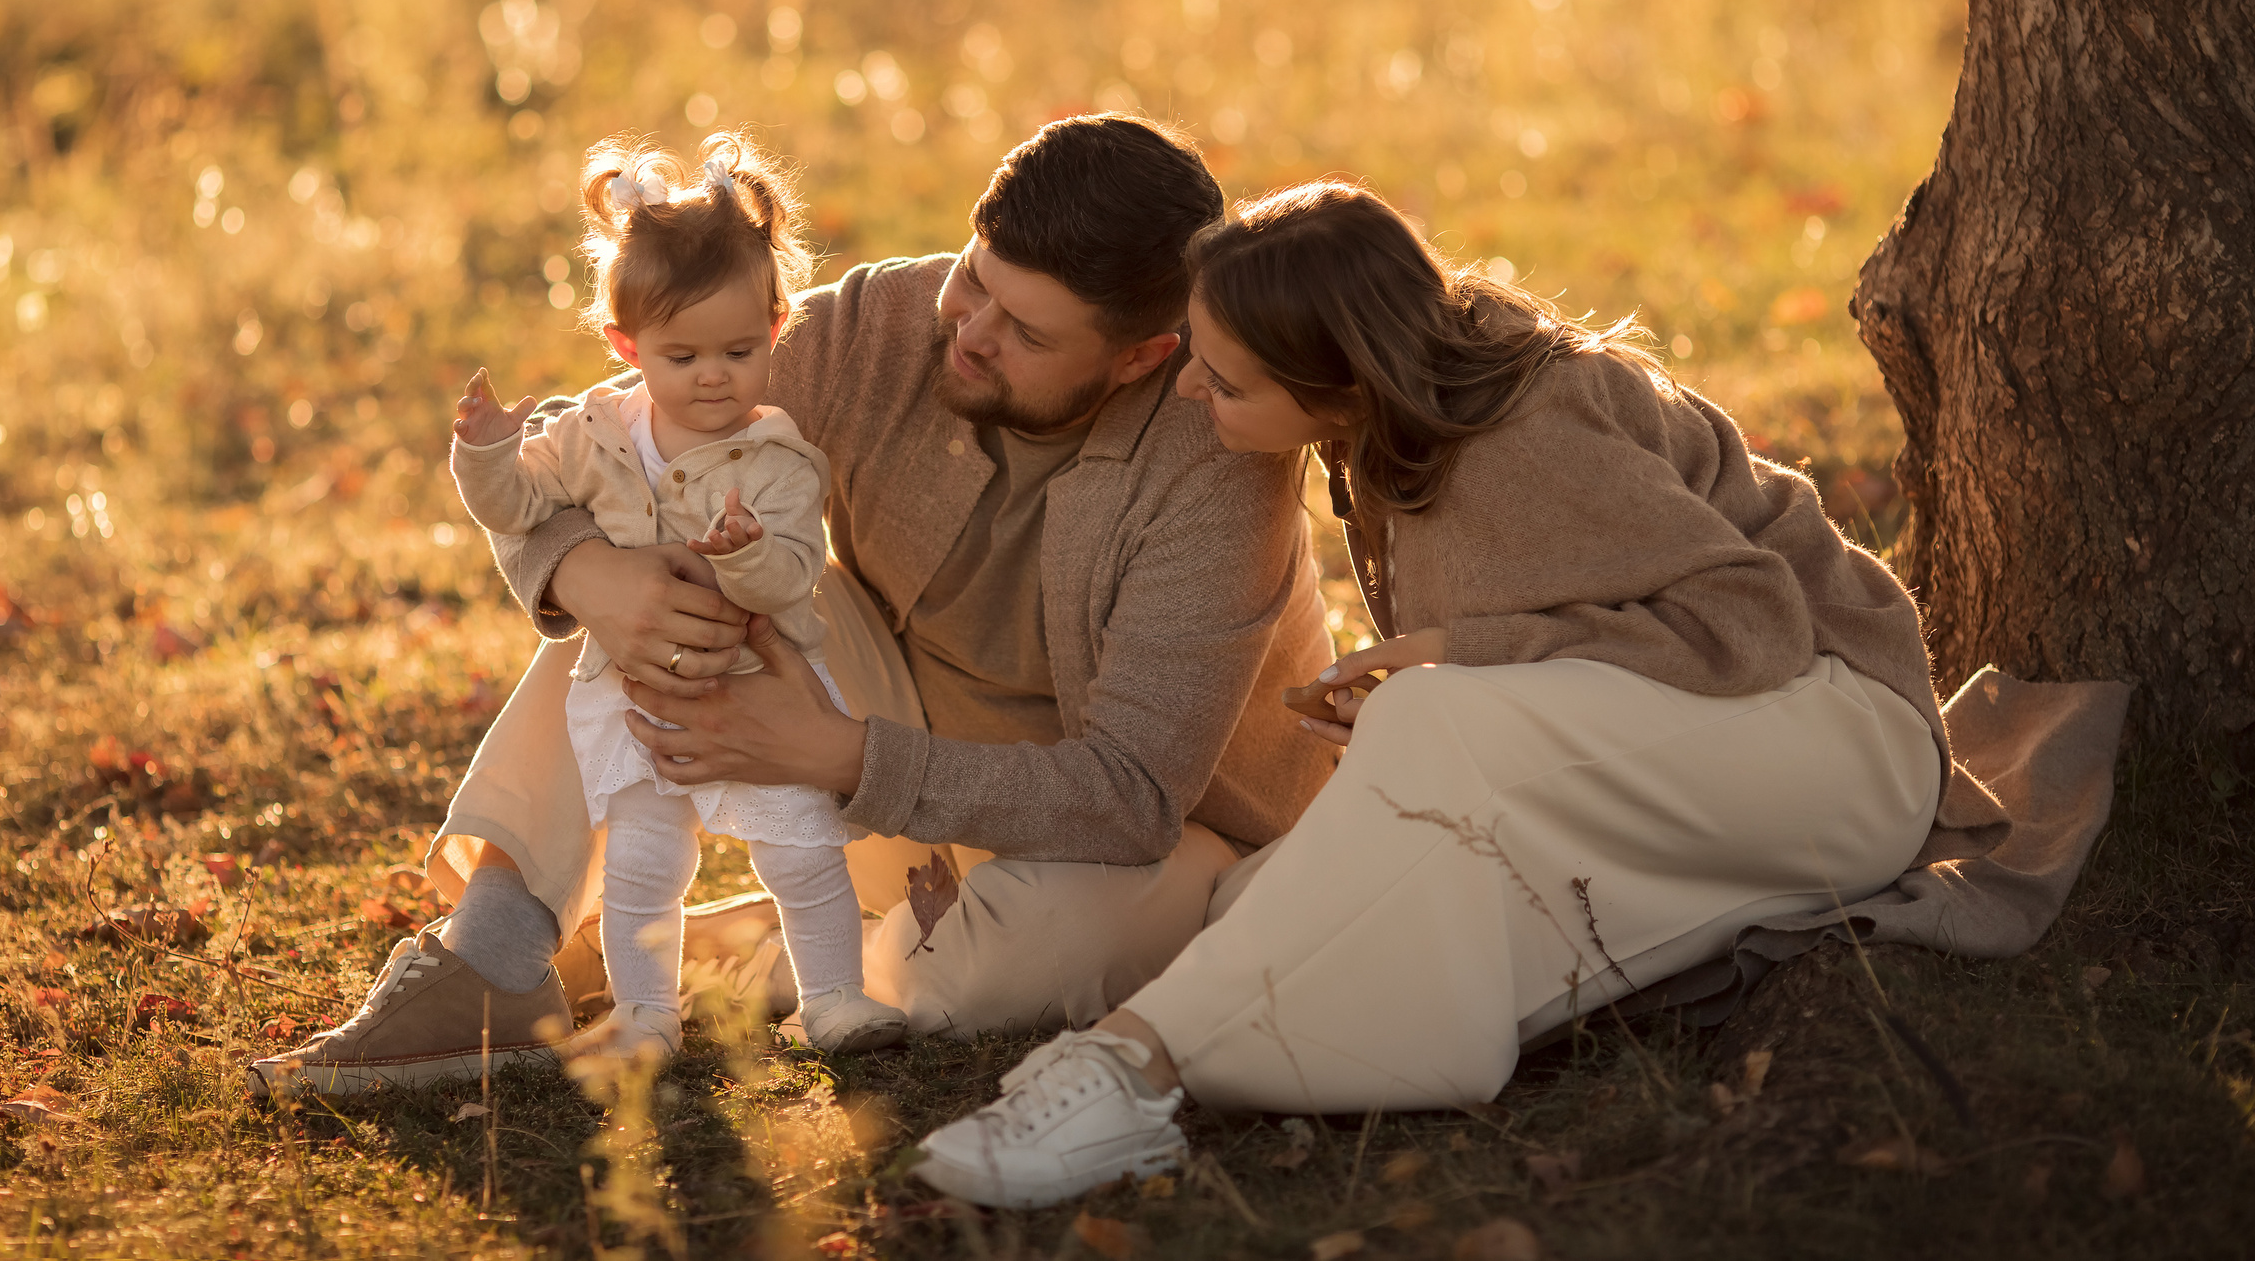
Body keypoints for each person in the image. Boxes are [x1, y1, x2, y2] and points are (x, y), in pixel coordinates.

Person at [910, 177, 1951, 1208]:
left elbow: (1751, 621)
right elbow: (1563, 651)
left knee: (1428, 718)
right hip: (1695, 743)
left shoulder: (1525, 434)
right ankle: (1397, 1044)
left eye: (1225, 385)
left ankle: (1125, 1072)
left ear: (1338, 387)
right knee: (1242, 904)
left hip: (1836, 736)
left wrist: (1466, 654)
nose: (1188, 390)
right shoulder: (1394, 420)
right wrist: (1459, 674)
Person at [246, 116, 1336, 1098]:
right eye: (975, 280)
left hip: (1154, 832)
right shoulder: (889, 322)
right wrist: (589, 574)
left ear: (1144, 354)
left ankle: (749, 955)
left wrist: (836, 755)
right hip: (901, 737)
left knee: (1023, 967)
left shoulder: (1213, 460)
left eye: (1026, 333)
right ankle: (494, 958)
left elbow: (1133, 793)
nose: (969, 330)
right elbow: (600, 434)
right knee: (662, 585)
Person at [447, 134, 907, 1062]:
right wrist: (486, 452)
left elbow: (791, 574)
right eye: (682, 353)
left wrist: (746, 557)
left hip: (761, 688)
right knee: (647, 865)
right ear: (626, 345)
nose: (712, 376)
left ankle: (834, 999)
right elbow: (520, 506)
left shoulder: (775, 458)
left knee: (803, 853)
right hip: (641, 693)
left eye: (739, 350)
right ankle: (646, 1015)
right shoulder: (596, 430)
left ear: (777, 327)